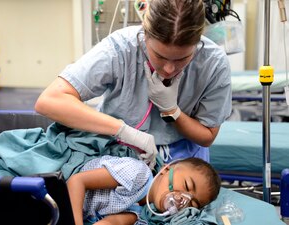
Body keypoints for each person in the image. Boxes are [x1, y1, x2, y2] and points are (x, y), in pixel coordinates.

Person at [35, 0, 232, 167]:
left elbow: (207, 136)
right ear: (145, 35)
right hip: (118, 154)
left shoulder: (213, 63)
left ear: (197, 43)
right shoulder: (120, 49)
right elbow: (50, 101)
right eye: (160, 56)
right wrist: (123, 130)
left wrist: (173, 112)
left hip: (183, 162)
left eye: (182, 58)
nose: (169, 69)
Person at [66, 156, 221, 225]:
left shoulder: (141, 212)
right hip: (57, 190)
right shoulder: (137, 173)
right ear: (166, 169)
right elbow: (77, 181)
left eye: (192, 202)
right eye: (187, 186)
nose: (183, 199)